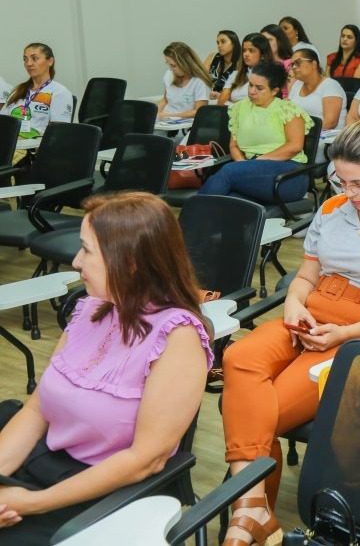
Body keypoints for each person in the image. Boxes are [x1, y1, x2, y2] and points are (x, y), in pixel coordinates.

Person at [221, 120, 360, 543]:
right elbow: (306, 276)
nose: (350, 192)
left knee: (263, 412)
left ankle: (248, 513)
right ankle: (254, 512)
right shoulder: (331, 209)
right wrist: (293, 302)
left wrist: (345, 335)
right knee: (238, 358)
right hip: (312, 310)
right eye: (342, 181)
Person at [0, 192, 212, 542]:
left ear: (128, 262)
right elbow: (38, 408)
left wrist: (30, 503)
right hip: (48, 465)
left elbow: (146, 460)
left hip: (109, 492)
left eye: (87, 250)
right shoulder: (91, 309)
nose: (75, 260)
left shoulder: (178, 338)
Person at [199, 62, 312, 203]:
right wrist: (242, 165)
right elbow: (234, 146)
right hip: (251, 171)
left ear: (274, 91)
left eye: (259, 88)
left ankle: (184, 222)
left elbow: (295, 146)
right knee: (229, 198)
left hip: (288, 174)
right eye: (250, 85)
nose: (252, 91)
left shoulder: (288, 109)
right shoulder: (239, 108)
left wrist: (256, 162)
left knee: (228, 172)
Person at [0, 43, 74, 139]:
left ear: (50, 61)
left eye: (34, 58)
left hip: (34, 147)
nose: (29, 63)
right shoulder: (19, 90)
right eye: (25, 59)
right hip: (9, 143)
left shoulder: (60, 93)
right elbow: (3, 122)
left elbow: (58, 133)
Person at [288, 48, 345, 132]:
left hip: (324, 139)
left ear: (314, 64)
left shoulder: (331, 86)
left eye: (298, 63)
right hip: (299, 135)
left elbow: (330, 123)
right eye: (292, 64)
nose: (294, 67)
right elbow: (288, 113)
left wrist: (299, 133)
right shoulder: (297, 85)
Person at [156, 42, 211, 120]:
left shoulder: (200, 82)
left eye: (173, 65)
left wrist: (169, 115)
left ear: (185, 63)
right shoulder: (169, 75)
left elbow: (198, 112)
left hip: (185, 124)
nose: (170, 69)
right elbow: (165, 100)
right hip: (166, 121)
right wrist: (155, 114)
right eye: (168, 64)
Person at [218, 33, 273, 106]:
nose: (246, 54)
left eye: (251, 51)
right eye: (244, 50)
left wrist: (232, 102)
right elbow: (221, 102)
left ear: (262, 55)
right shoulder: (236, 74)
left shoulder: (270, 75)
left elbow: (260, 104)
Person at [202, 30, 242, 98]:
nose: (219, 45)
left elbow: (240, 91)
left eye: (223, 42)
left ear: (234, 43)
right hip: (208, 97)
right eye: (218, 43)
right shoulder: (213, 56)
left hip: (228, 101)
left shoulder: (240, 62)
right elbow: (200, 78)